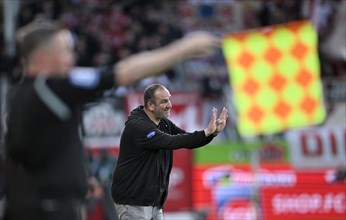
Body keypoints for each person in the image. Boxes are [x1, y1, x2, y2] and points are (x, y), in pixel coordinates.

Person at [4, 20, 220, 220]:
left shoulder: (24, 94)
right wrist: (183, 49)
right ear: (42, 58)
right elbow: (122, 72)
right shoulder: (51, 88)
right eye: (65, 51)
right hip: (46, 209)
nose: (72, 58)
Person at [111, 84, 228, 220]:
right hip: (132, 201)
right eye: (164, 101)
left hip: (153, 203)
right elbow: (171, 141)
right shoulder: (138, 126)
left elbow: (188, 140)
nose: (170, 105)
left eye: (169, 100)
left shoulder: (164, 123)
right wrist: (205, 132)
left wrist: (212, 133)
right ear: (150, 105)